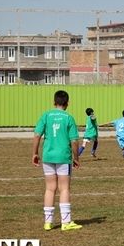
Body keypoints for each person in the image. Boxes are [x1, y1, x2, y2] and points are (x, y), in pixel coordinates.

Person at [32, 90, 82, 232]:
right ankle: (65, 222)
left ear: (54, 102)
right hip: (63, 157)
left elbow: (37, 135)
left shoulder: (46, 116)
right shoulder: (69, 118)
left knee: (49, 188)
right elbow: (74, 141)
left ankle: (48, 222)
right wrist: (76, 158)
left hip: (48, 156)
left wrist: (35, 153)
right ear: (67, 103)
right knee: (64, 188)